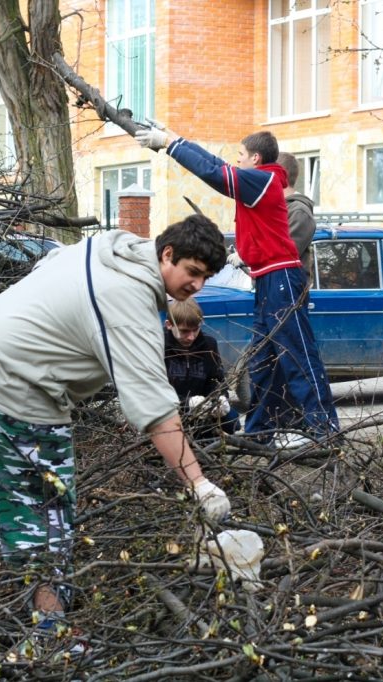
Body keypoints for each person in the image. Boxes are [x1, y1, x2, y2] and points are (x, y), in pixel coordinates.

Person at [0, 215, 231, 628]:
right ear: (167, 254)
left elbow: (46, 272)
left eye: (205, 277)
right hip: (16, 387)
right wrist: (197, 483)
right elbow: (155, 409)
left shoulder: (110, 248)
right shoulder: (127, 298)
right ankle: (51, 635)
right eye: (192, 272)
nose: (197, 286)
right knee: (43, 511)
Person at [135, 123, 338, 448]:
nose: (237, 161)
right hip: (267, 279)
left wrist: (171, 145)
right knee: (263, 361)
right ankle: (259, 433)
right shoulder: (259, 180)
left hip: (282, 278)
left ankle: (326, 431)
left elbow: (215, 173)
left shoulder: (263, 179)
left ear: (255, 158)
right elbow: (216, 164)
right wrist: (176, 140)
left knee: (297, 356)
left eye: (241, 156)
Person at [164, 298, 239, 438]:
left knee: (232, 421)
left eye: (196, 330)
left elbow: (217, 379)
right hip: (170, 409)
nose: (191, 337)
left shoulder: (208, 344)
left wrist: (219, 398)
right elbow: (152, 391)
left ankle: (207, 438)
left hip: (202, 408)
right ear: (169, 325)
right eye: (184, 331)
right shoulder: (159, 346)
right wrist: (186, 403)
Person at [276, 152, 316, 275]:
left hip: (287, 290)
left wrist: (247, 258)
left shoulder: (299, 212)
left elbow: (281, 256)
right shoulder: (276, 207)